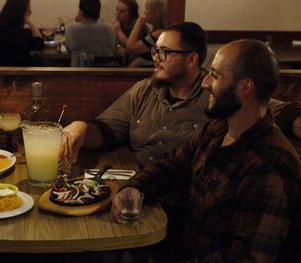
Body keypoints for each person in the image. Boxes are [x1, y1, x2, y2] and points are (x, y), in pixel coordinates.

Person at [112, 39, 301, 262]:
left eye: (215, 75)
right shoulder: (218, 128)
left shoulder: (269, 162)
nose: (205, 83)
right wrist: (135, 187)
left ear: (245, 87)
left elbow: (246, 258)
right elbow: (173, 165)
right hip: (182, 248)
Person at [63, 21, 301, 170]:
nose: (155, 57)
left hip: (183, 205)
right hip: (139, 188)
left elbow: (269, 109)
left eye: (165, 52)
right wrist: (79, 128)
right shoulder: (144, 90)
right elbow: (107, 129)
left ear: (191, 59)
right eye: (156, 50)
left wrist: (295, 120)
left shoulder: (218, 96)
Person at [0, 0, 45, 66]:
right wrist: (30, 23)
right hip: (15, 72)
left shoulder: (3, 27)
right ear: (20, 12)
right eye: (27, 11)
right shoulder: (13, 32)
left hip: (9, 69)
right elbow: (39, 44)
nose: (30, 13)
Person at [65, 0, 117, 67]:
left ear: (81, 12)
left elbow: (68, 48)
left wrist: (75, 22)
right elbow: (113, 48)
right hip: (105, 74)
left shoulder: (71, 29)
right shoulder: (110, 28)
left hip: (79, 74)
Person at [125, 0, 168, 67]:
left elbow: (130, 48)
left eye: (147, 9)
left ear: (155, 13)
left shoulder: (157, 34)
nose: (144, 12)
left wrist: (138, 23)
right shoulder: (156, 31)